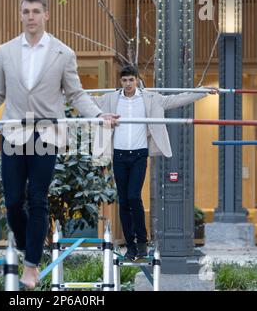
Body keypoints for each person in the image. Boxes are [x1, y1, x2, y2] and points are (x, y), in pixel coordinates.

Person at [0, 0, 118, 288]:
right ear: (21, 15)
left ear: (46, 15)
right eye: (26, 11)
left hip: (48, 133)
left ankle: (30, 264)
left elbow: (76, 93)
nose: (30, 16)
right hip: (15, 132)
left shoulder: (63, 53)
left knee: (38, 198)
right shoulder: (6, 51)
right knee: (13, 201)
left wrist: (98, 115)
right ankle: (30, 247)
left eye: (36, 11)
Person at [92, 65, 218, 261]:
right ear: (120, 81)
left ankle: (142, 243)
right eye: (124, 80)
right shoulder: (110, 99)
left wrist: (201, 92)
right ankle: (131, 247)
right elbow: (88, 101)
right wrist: (59, 91)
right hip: (119, 155)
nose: (127, 84)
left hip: (139, 154)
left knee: (134, 197)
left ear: (137, 80)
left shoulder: (151, 98)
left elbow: (177, 99)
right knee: (123, 201)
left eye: (131, 80)